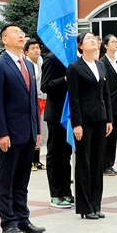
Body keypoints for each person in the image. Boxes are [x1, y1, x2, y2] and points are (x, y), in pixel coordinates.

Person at [0, 24, 45, 233]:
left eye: (21, 33)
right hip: (9, 133)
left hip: (28, 131)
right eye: (15, 33)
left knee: (22, 179)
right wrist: (1, 133)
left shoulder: (28, 64)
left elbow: (32, 100)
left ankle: (22, 218)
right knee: (7, 179)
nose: (21, 36)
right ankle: (8, 221)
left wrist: (37, 129)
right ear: (4, 40)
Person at [67, 32, 113, 220]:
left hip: (100, 119)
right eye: (88, 39)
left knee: (97, 162)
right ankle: (85, 207)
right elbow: (74, 98)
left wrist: (109, 119)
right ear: (80, 46)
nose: (93, 40)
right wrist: (76, 124)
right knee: (83, 163)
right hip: (84, 121)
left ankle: (96, 204)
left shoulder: (101, 65)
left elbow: (106, 94)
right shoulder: (74, 68)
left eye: (94, 38)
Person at [40, 52, 73, 209]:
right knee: (55, 154)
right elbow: (45, 85)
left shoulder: (73, 58)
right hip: (56, 114)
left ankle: (66, 192)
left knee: (66, 155)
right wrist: (64, 80)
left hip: (70, 114)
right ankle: (55, 194)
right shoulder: (52, 58)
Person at [99, 35, 117, 177]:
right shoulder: (102, 63)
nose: (116, 44)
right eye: (113, 42)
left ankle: (110, 163)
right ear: (105, 46)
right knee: (106, 136)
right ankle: (103, 164)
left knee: (113, 136)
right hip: (108, 103)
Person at [25, 39, 45, 171]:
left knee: (40, 130)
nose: (36, 50)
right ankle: (30, 160)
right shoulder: (25, 64)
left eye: (37, 48)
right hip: (31, 100)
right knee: (32, 129)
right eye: (32, 48)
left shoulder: (41, 63)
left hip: (42, 99)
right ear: (26, 52)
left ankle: (37, 160)